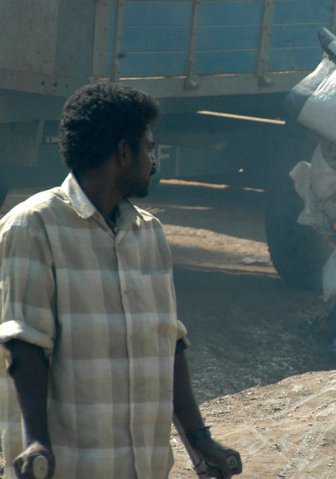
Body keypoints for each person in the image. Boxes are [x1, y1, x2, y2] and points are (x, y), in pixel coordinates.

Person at [0, 83, 242, 478]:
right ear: (124, 152)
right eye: (148, 149)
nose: (154, 161)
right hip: (70, 466)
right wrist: (37, 442)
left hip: (141, 465)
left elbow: (170, 344)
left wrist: (199, 440)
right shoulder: (33, 227)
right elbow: (25, 344)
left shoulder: (149, 234)